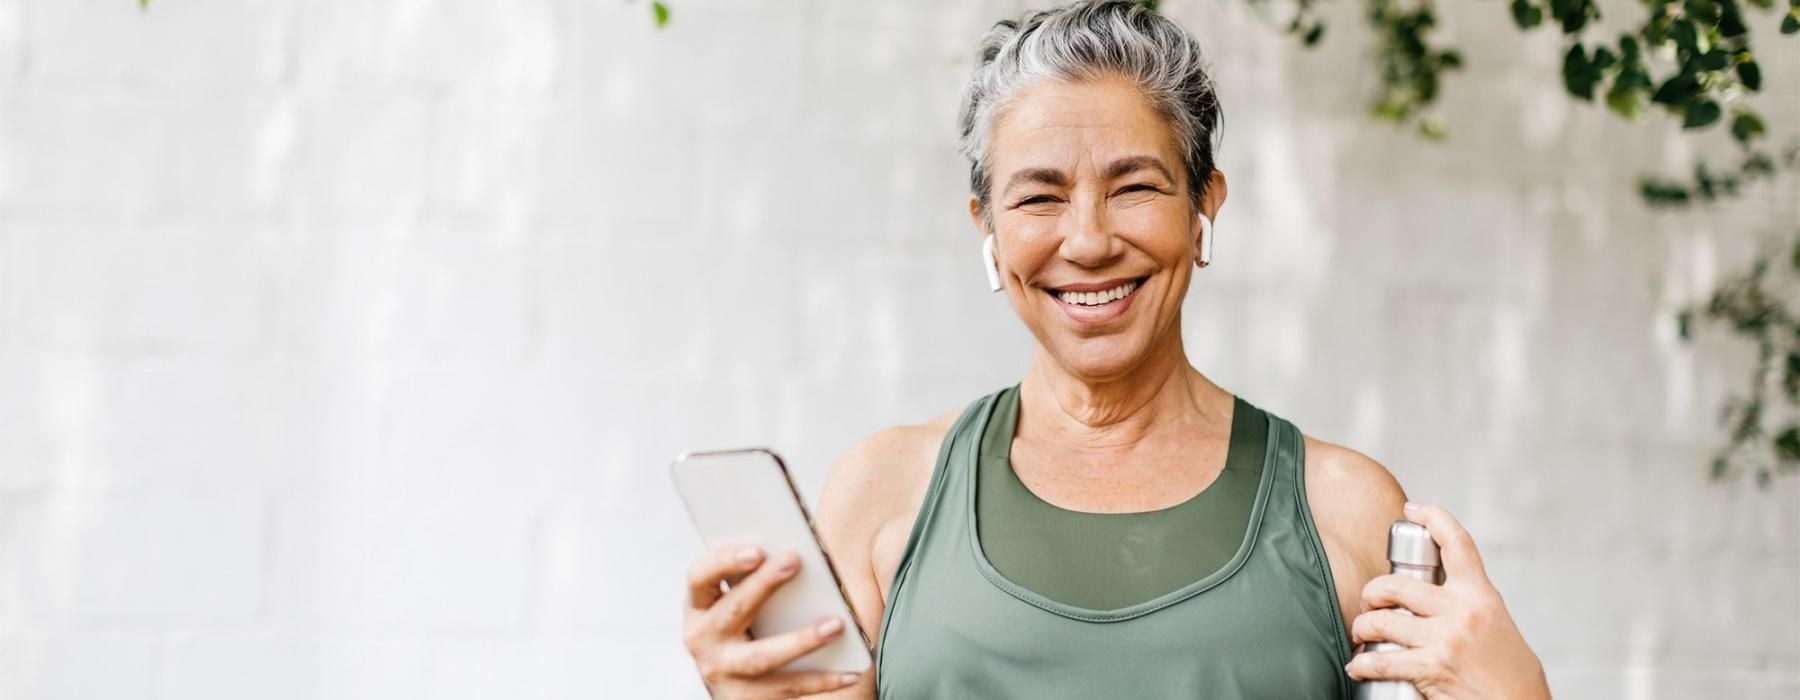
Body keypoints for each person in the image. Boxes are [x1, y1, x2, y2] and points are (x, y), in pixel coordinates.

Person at [680, 2, 1549, 697]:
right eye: (1039, 198)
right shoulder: (884, 493)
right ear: (987, 229)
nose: (1089, 241)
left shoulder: (1344, 507)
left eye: (1134, 187)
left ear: (1204, 207)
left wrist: (1512, 693)